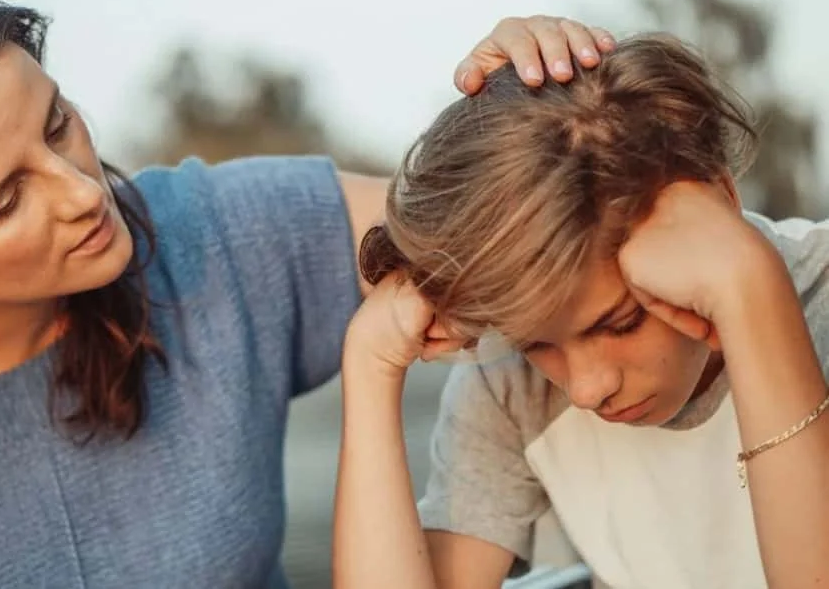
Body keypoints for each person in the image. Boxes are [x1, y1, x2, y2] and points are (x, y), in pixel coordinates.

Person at [0, 0, 613, 587]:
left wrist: (535, 107)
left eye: (56, 124)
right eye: (5, 202)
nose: (80, 192)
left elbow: (509, 221)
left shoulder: (218, 234)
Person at [334, 34, 829, 588]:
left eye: (620, 322)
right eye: (536, 343)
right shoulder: (509, 384)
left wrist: (751, 292)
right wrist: (370, 365)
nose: (586, 389)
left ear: (719, 201)